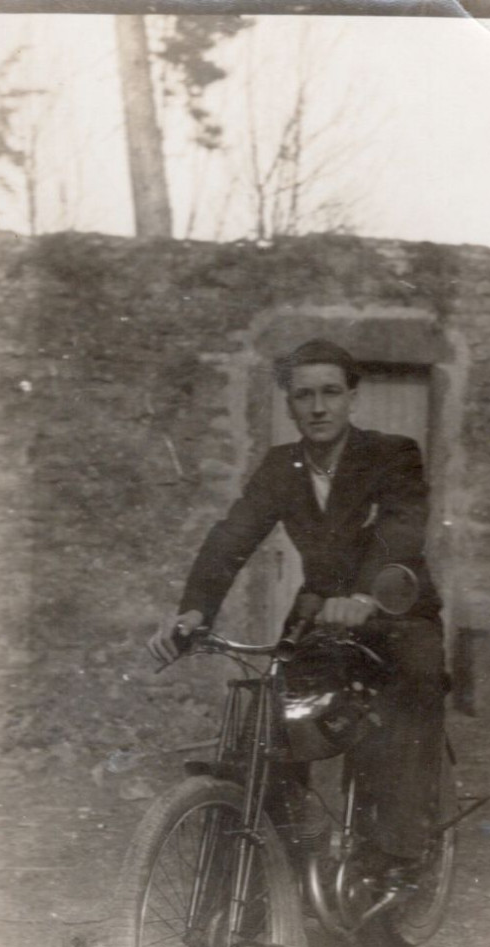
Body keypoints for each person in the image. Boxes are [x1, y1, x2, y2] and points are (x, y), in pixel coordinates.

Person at [148, 338, 446, 884]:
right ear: (288, 403)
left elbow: (400, 529)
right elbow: (231, 538)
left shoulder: (392, 452)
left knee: (406, 702)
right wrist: (194, 613)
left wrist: (363, 596)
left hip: (396, 608)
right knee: (270, 724)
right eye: (303, 395)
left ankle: (401, 849)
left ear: (352, 396)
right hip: (319, 613)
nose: (318, 407)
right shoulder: (279, 467)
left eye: (331, 392)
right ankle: (284, 855)